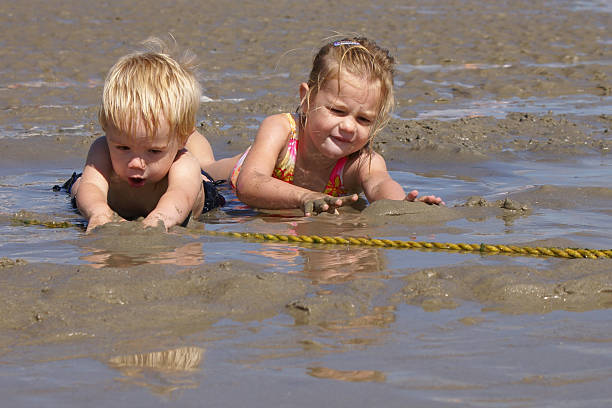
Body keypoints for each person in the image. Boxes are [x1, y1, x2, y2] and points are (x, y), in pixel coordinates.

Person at [230, 37, 444, 216]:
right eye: (338, 111)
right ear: (307, 99)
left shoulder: (361, 162)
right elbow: (249, 183)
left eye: (364, 120)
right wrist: (305, 196)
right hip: (225, 178)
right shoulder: (281, 129)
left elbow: (379, 184)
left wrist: (402, 205)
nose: (349, 127)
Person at [66, 38, 225, 232]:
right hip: (112, 188)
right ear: (107, 129)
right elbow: (93, 187)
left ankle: (192, 137)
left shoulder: (183, 163)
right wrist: (98, 212)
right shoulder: (102, 150)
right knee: (80, 186)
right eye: (123, 147)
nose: (135, 163)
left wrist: (159, 219)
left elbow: (180, 195)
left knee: (202, 166)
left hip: (195, 191)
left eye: (154, 151)